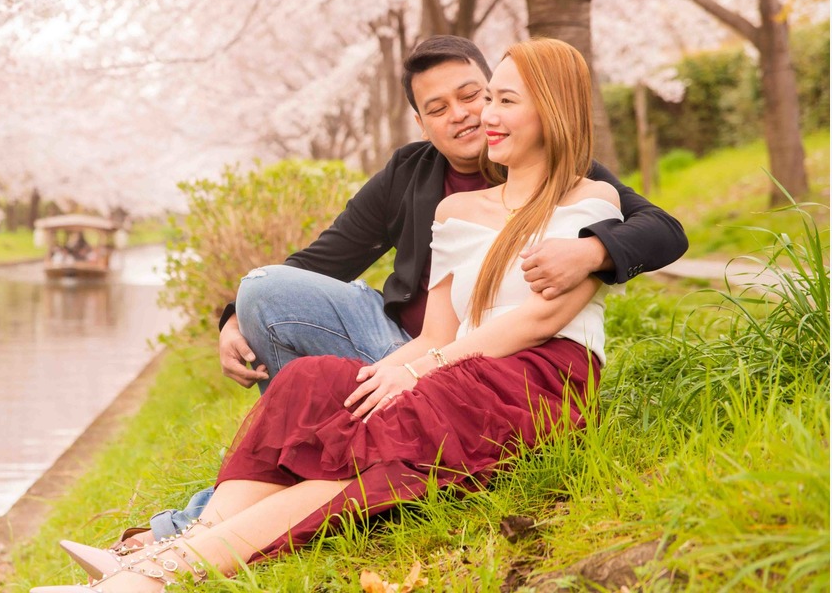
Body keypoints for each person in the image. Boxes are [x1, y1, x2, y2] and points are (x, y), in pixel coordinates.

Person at [32, 38, 630, 592]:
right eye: (470, 102)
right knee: (310, 386)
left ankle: (163, 570)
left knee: (364, 450)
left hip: (532, 383)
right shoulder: (455, 207)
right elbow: (437, 330)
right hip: (456, 367)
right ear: (420, 121)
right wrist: (390, 368)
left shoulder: (591, 202)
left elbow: (538, 322)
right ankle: (173, 548)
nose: (482, 115)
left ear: (550, 108)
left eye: (498, 99)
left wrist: (423, 371)